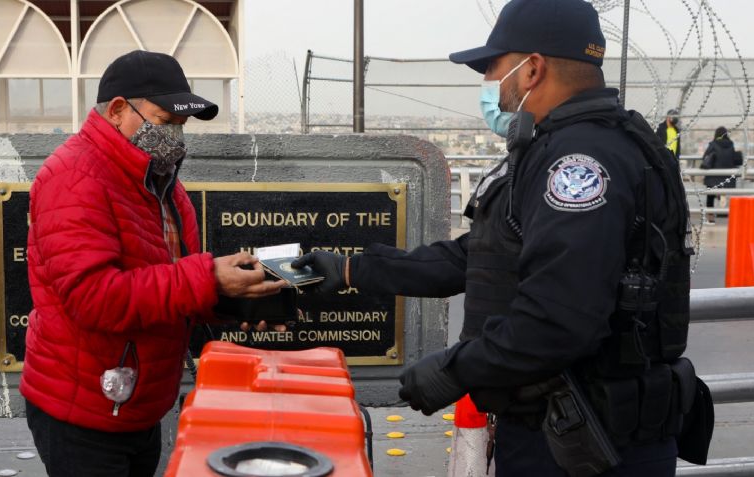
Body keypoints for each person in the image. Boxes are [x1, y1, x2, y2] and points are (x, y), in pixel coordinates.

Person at [294, 1, 708, 475]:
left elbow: (558, 319)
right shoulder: (566, 144)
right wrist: (350, 269)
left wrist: (453, 370)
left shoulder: (577, 164)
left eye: (494, 66)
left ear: (532, 68)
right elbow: (484, 255)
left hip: (585, 445)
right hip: (564, 430)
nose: (489, 81)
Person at [20, 50, 285, 477]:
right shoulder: (73, 178)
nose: (177, 138)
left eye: (182, 127)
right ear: (119, 110)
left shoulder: (161, 184)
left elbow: (168, 287)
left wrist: (237, 301)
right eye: (167, 122)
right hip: (83, 412)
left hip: (137, 406)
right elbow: (94, 298)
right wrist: (207, 277)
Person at [700, 126, 742, 224]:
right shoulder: (731, 145)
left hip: (713, 177)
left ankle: (711, 219)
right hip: (727, 177)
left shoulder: (713, 144)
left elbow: (705, 157)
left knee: (710, 197)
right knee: (723, 193)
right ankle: (723, 211)